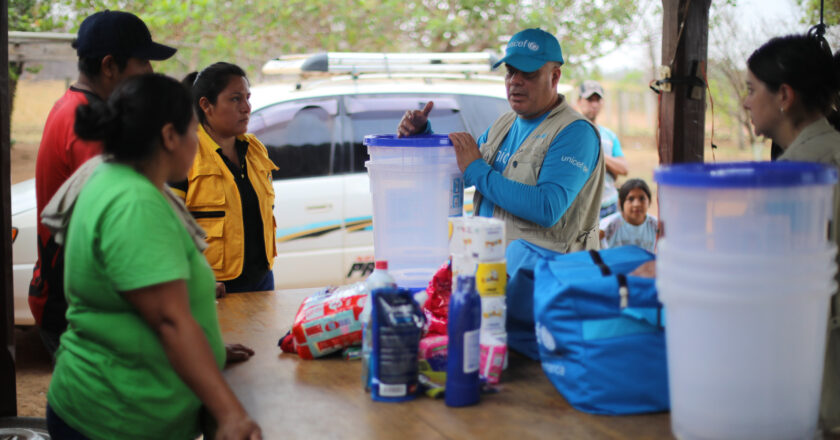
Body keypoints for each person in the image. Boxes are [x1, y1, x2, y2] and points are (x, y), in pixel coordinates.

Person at [45, 74, 261, 439]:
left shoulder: (109, 176)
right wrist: (231, 414)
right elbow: (169, 321)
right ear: (168, 136)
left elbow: (133, 305)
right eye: (193, 130)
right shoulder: (135, 204)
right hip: (116, 419)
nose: (197, 142)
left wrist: (207, 346)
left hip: (112, 405)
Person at [29, 10, 176, 359]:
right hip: (75, 304)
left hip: (65, 293)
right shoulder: (92, 127)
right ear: (110, 66)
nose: (150, 72)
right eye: (142, 62)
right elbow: (115, 233)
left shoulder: (73, 106)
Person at [397, 28, 604, 253]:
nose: (515, 81)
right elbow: (460, 173)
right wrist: (422, 138)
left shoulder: (575, 132)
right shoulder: (503, 124)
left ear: (554, 77)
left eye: (528, 74)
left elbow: (548, 208)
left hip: (546, 280)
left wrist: (478, 170)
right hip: (492, 272)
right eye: (510, 72)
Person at [743, 33, 840, 433]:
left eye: (751, 89)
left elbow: (759, 280)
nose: (746, 101)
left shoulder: (795, 176)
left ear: (784, 96)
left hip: (819, 390)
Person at [172, 62, 278, 293]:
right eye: (235, 99)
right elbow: (169, 228)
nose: (246, 108)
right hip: (214, 287)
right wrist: (195, 279)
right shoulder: (185, 153)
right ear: (206, 105)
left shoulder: (255, 149)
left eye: (247, 98)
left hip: (262, 280)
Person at [576, 80, 629, 218]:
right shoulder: (570, 133)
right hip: (581, 209)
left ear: (602, 103)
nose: (594, 104)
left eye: (597, 100)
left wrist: (600, 155)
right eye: (589, 99)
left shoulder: (609, 136)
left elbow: (623, 168)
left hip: (609, 207)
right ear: (579, 101)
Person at [599, 178, 657, 252]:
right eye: (631, 199)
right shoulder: (608, 225)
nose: (637, 204)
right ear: (620, 202)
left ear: (650, 201)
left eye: (642, 198)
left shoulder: (656, 226)